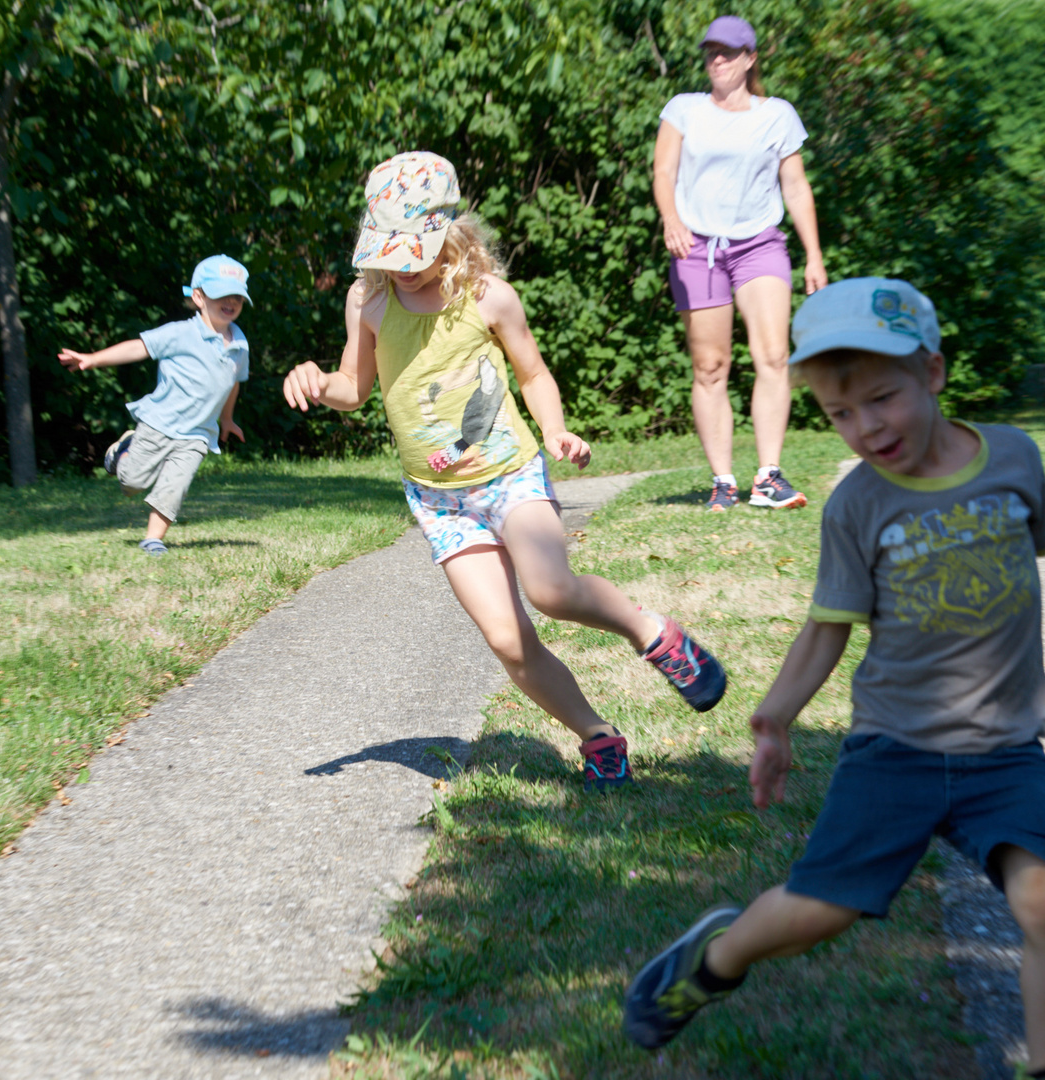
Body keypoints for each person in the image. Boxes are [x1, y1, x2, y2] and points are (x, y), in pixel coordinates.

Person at [623, 278, 1045, 1080]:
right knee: (819, 914)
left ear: (932, 373)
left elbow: (1033, 544)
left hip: (1006, 751)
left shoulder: (1013, 458)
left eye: (883, 398)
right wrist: (773, 718)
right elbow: (827, 627)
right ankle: (716, 958)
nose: (867, 427)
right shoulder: (856, 504)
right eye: (841, 414)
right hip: (895, 751)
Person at [283, 151, 727, 791]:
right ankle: (598, 737)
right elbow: (353, 388)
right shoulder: (370, 298)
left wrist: (554, 429)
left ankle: (655, 635)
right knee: (508, 640)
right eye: (391, 254)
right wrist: (316, 381)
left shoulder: (488, 296)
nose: (403, 269)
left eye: (416, 253)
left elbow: (534, 374)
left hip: (509, 475)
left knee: (550, 590)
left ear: (449, 233)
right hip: (438, 500)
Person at [653, 14, 828, 514]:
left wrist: (813, 253)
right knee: (710, 367)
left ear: (750, 59)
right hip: (697, 248)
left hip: (760, 244)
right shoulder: (684, 109)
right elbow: (664, 170)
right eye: (711, 51)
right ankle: (723, 482)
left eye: (729, 52)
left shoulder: (777, 115)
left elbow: (795, 186)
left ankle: (768, 477)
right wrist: (671, 218)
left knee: (772, 356)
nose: (718, 60)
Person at [58, 255, 252, 557]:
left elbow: (232, 383)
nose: (230, 301)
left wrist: (227, 419)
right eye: (221, 294)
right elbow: (138, 347)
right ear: (199, 297)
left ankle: (153, 539)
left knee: (175, 486)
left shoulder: (239, 344)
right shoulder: (181, 333)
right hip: (158, 423)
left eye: (237, 296)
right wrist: (92, 359)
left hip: (197, 434)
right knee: (132, 483)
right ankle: (122, 451)